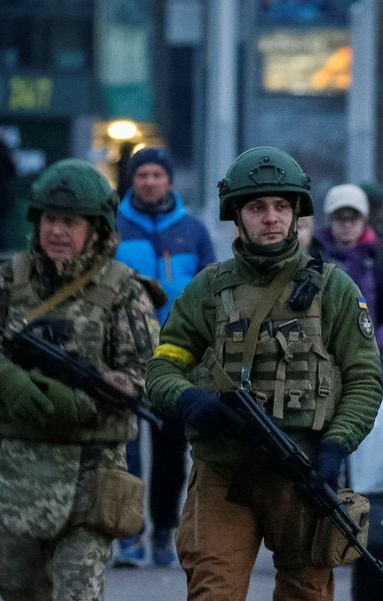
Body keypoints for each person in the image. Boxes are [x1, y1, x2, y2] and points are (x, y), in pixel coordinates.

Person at [144, 147, 383, 601]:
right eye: (257, 208)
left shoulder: (335, 290)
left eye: (282, 206)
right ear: (237, 215)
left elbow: (364, 379)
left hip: (302, 479)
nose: (271, 217)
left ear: (298, 214)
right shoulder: (208, 289)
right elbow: (162, 366)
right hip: (223, 477)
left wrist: (334, 448)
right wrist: (191, 404)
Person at [0, 158, 161, 601]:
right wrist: (7, 377)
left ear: (96, 228)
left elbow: (150, 373)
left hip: (92, 474)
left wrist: (82, 399)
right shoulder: (9, 280)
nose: (55, 230)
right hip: (25, 470)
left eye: (70, 221)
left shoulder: (124, 292)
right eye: (48, 218)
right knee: (19, 593)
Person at [114, 147, 217, 567]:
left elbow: (212, 290)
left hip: (179, 358)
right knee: (126, 449)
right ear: (132, 181)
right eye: (143, 175)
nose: (151, 181)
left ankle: (162, 529)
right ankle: (128, 533)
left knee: (172, 449)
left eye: (158, 174)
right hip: (123, 354)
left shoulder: (192, 230)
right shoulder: (114, 228)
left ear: (169, 181)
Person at [312, 183, 383, 492]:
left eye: (353, 218)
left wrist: (371, 344)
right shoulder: (314, 259)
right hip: (321, 370)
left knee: (366, 459)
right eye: (340, 218)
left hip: (366, 372)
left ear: (364, 221)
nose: (346, 225)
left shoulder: (378, 262)